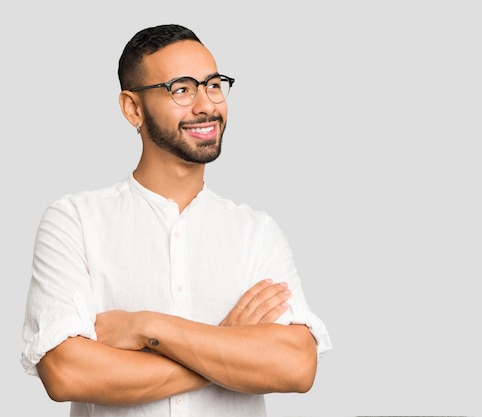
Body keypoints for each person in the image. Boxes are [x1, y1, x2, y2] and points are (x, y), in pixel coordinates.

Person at [20, 23, 332, 417]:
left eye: (213, 85)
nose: (206, 105)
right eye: (181, 89)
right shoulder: (74, 222)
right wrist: (228, 349)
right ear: (133, 108)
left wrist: (147, 328)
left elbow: (297, 367)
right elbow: (67, 373)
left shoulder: (257, 233)